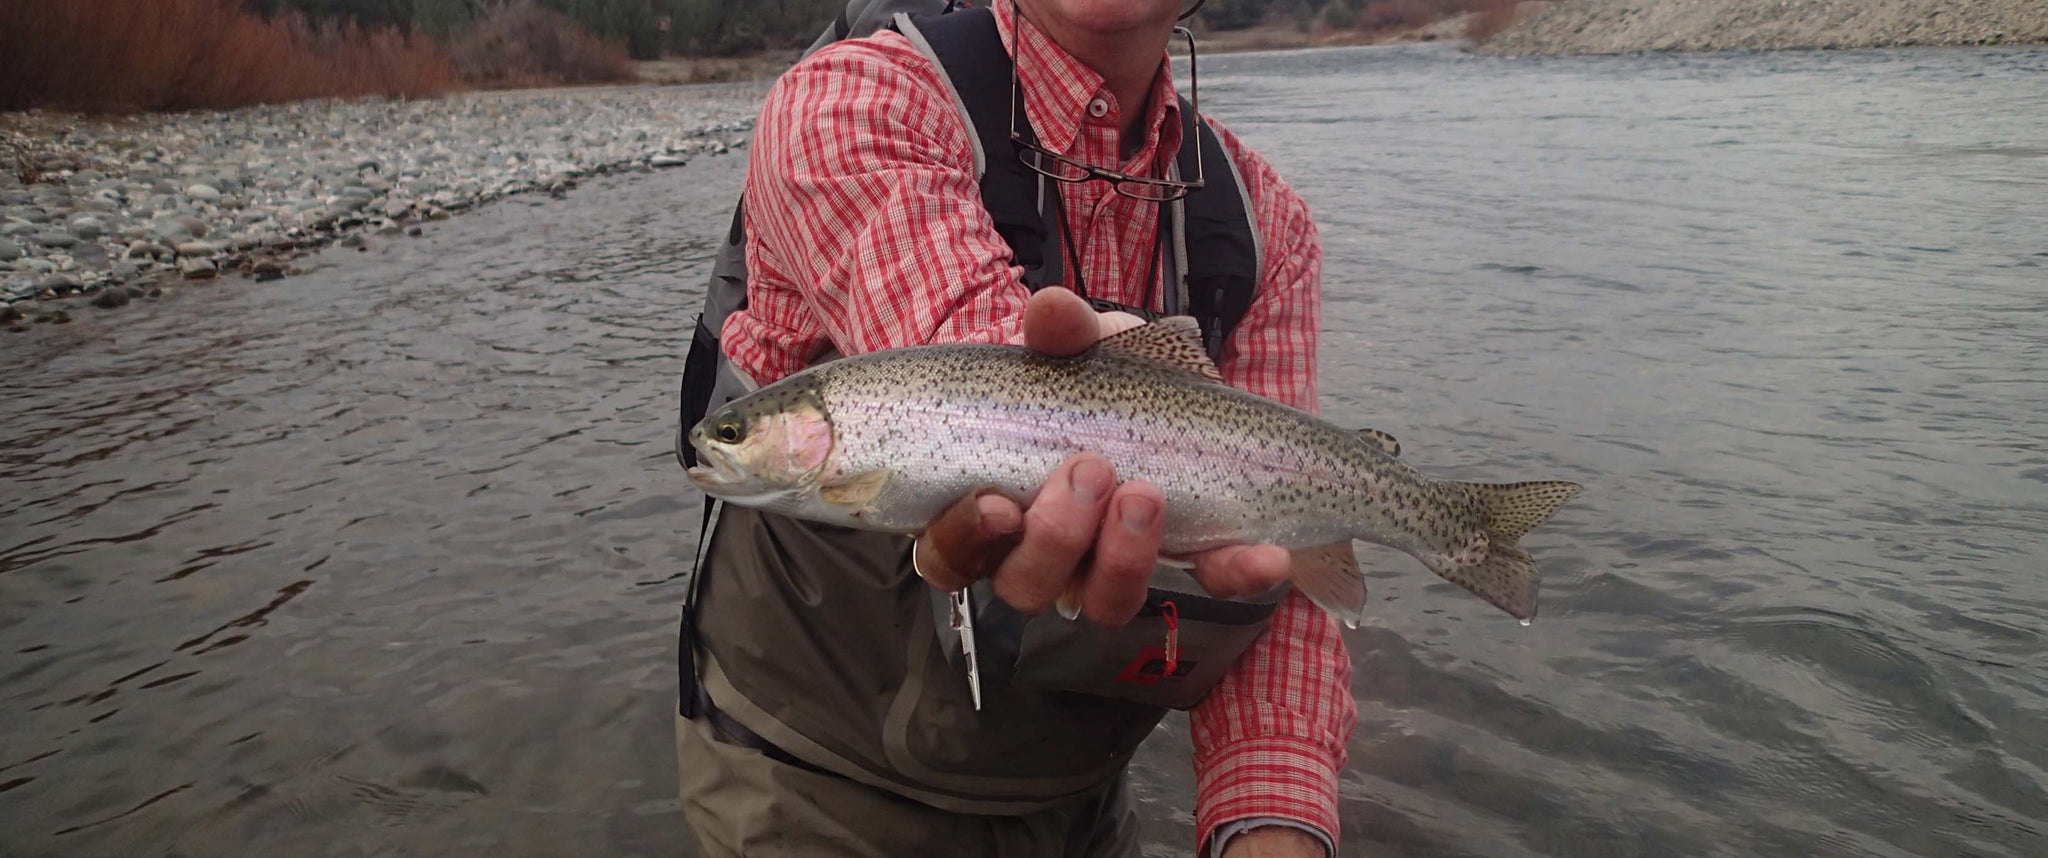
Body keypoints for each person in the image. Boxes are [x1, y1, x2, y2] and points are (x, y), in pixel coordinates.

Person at [673, 1, 1356, 855]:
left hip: (1080, 807)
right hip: (810, 784)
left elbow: (1283, 568)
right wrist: (1100, 395)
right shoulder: (851, 101)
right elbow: (960, 358)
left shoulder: (1266, 229)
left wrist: (1272, 827)